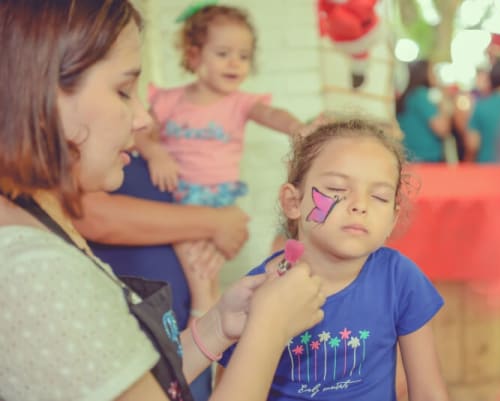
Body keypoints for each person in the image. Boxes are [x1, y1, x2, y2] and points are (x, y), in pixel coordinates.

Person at [0, 2, 325, 401]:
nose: (142, 119)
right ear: (39, 95)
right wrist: (269, 331)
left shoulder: (37, 222)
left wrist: (218, 327)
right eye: (122, 91)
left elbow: (148, 383)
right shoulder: (35, 272)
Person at [219, 119, 449, 400]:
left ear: (393, 217)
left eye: (379, 196)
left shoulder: (399, 277)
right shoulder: (259, 290)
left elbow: (428, 392)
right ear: (293, 202)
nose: (360, 205)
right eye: (338, 190)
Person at [136, 3, 315, 311]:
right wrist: (155, 153)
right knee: (198, 270)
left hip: (220, 201)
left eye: (243, 56)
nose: (235, 63)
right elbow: (140, 132)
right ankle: (205, 317)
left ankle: (205, 322)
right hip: (180, 199)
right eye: (223, 54)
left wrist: (297, 127)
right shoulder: (170, 101)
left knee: (207, 269)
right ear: (194, 55)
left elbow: (271, 114)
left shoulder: (240, 103)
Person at [75, 154, 251, 401]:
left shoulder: (162, 153)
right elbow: (91, 215)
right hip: (136, 333)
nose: (141, 119)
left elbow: (227, 231)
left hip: (190, 326)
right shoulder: (95, 165)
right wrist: (213, 222)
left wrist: (208, 238)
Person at [396, 60, 452, 162]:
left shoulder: (410, 95)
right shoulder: (420, 95)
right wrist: (444, 107)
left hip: (411, 155)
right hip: (424, 158)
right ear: (423, 73)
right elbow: (442, 129)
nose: (436, 75)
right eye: (432, 71)